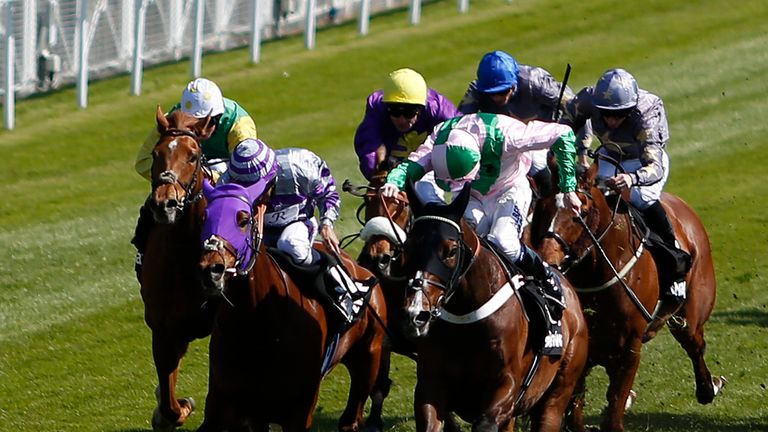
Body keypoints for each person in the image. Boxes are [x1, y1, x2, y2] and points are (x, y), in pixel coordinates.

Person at [380, 112, 582, 355]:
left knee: (503, 241)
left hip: (510, 187)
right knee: (469, 239)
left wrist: (569, 188)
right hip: (473, 193)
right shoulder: (439, 138)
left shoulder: (509, 135)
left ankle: (545, 279)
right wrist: (393, 181)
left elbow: (564, 134)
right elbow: (412, 166)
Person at [560, 68, 692, 338]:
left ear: (630, 109)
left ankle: (675, 263)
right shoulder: (587, 100)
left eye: (619, 114)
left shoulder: (646, 113)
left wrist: (632, 179)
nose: (611, 119)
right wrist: (574, 150)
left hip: (643, 163)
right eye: (606, 112)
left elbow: (654, 164)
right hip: (610, 155)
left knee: (640, 198)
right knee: (593, 199)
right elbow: (563, 124)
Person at [220, 139, 371, 324]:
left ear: (272, 174)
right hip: (256, 226)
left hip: (297, 220)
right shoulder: (226, 182)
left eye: (258, 187)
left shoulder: (301, 166)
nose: (255, 195)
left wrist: (326, 224)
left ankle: (343, 287)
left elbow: (328, 193)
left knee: (291, 246)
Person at [132, 78, 258, 279]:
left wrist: (208, 178)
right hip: (185, 179)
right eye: (193, 123)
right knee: (153, 202)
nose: (199, 130)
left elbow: (247, 171)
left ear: (217, 117)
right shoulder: (170, 121)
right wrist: (174, 181)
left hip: (227, 178)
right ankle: (142, 253)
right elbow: (143, 162)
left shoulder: (239, 125)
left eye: (205, 123)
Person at [458, 50, 592, 196]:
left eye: (503, 91)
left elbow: (577, 108)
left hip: (541, 137)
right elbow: (458, 125)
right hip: (503, 143)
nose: (497, 98)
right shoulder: (476, 91)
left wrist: (582, 154)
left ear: (514, 83)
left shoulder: (536, 82)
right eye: (491, 93)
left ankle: (548, 202)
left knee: (536, 162)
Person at [354, 67, 459, 202]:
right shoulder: (377, 108)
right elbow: (369, 145)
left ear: (421, 109)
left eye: (409, 112)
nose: (402, 120)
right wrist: (379, 174)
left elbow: (461, 140)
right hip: (389, 167)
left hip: (427, 166)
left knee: (427, 196)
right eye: (395, 111)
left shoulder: (440, 110)